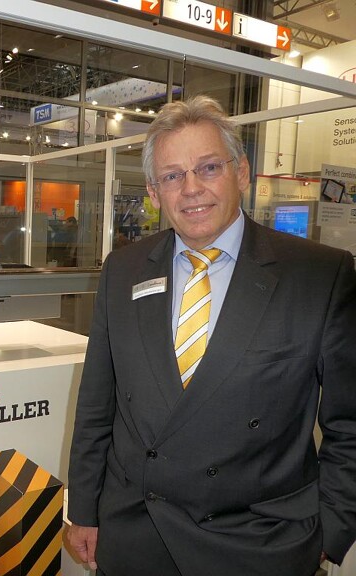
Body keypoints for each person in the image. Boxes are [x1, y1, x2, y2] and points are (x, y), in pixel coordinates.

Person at [66, 95, 356, 576]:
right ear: (154, 193)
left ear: (241, 173)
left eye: (208, 167)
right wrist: (84, 508)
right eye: (172, 176)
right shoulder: (123, 269)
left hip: (258, 543)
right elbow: (97, 403)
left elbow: (349, 422)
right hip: (136, 533)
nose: (192, 189)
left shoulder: (318, 275)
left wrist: (333, 527)